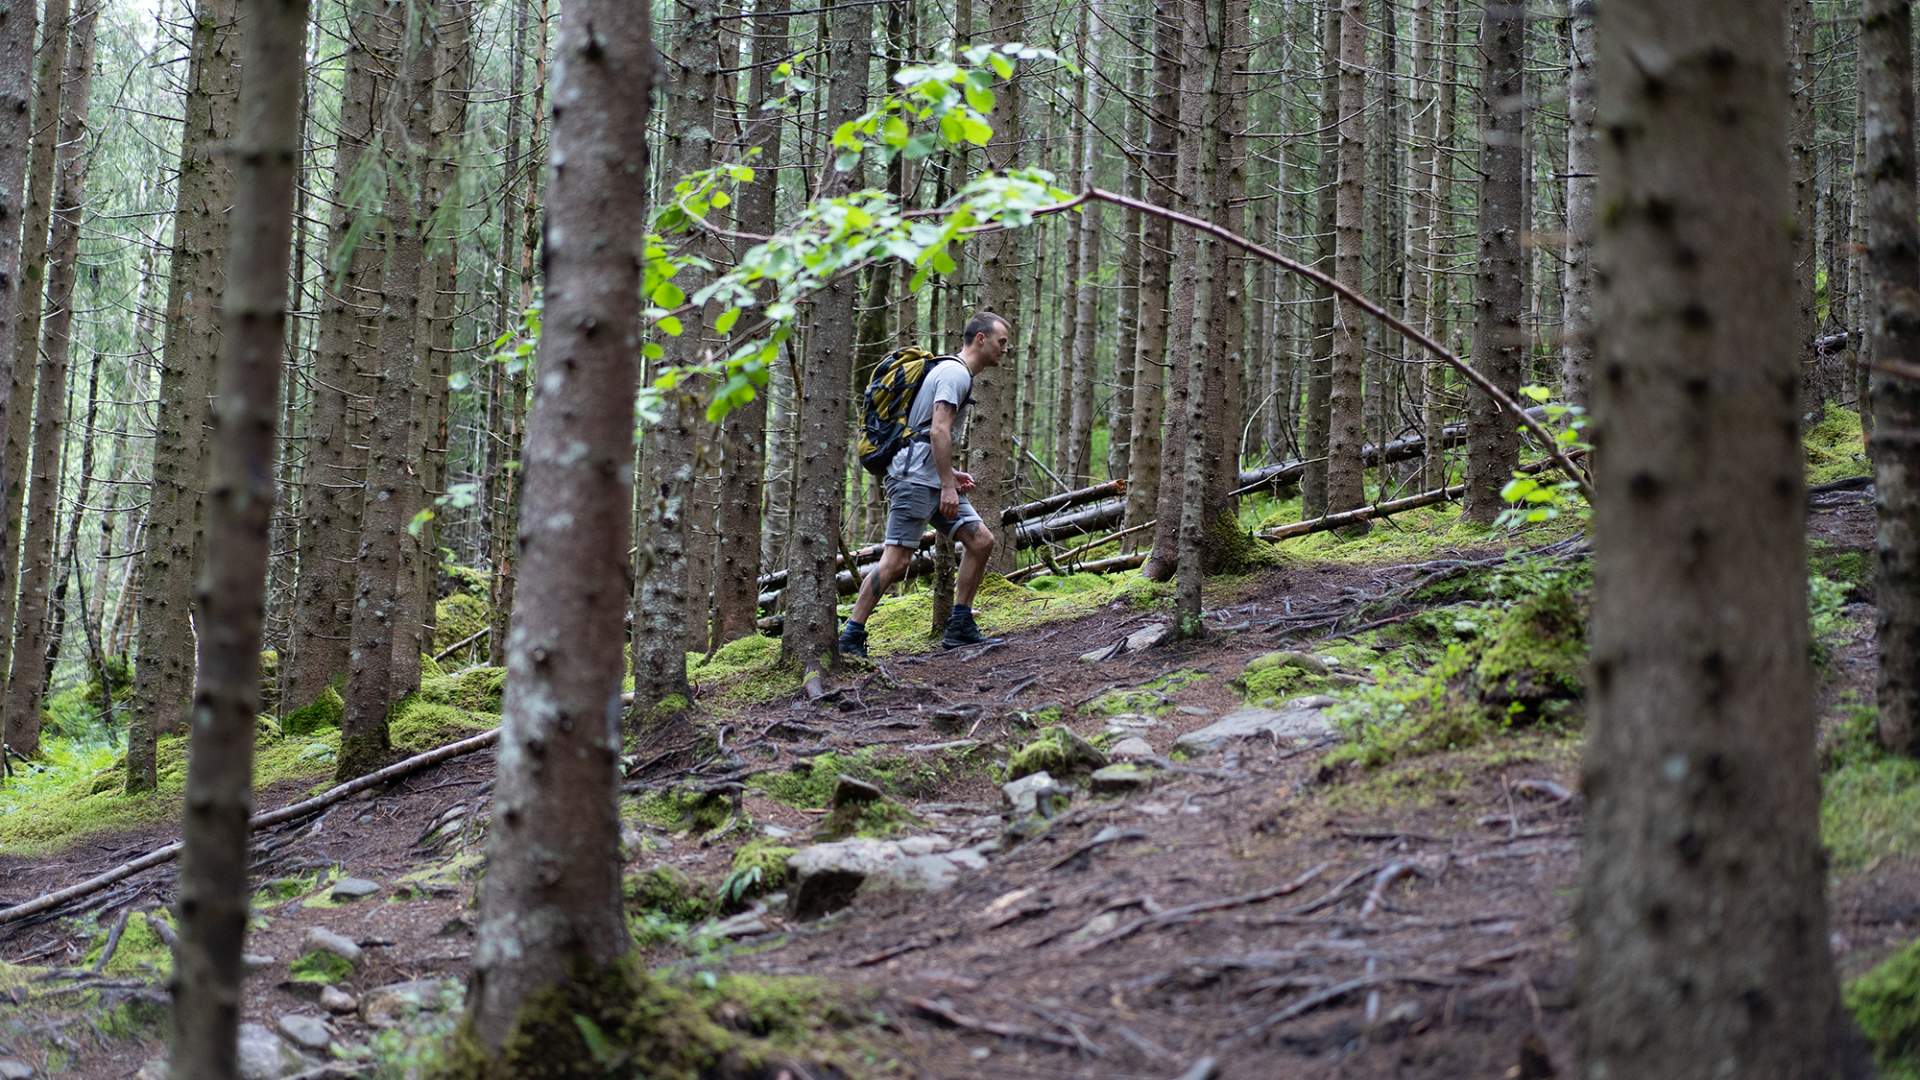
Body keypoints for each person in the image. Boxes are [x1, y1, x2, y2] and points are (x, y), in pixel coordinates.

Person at [838, 312, 1011, 657]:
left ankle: (960, 626)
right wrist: (947, 484)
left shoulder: (954, 373)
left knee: (980, 541)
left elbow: (929, 430)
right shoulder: (955, 374)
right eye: (1001, 342)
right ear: (980, 339)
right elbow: (938, 430)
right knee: (897, 561)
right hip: (913, 479)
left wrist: (949, 474)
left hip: (928, 476)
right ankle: (851, 637)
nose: (1005, 349)